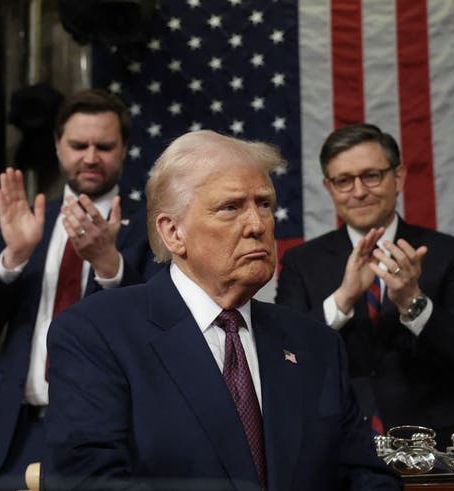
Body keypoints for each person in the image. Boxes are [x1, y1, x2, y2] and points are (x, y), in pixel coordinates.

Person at [44, 131, 400, 490]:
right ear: (173, 232)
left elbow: (366, 477)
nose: (258, 225)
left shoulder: (316, 344)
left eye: (264, 204)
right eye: (231, 208)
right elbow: (86, 481)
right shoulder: (96, 333)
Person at [0, 89, 158, 489]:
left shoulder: (151, 227)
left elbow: (157, 332)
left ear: (124, 149)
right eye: (78, 145)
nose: (90, 157)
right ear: (57, 145)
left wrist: (108, 263)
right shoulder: (31, 222)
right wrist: (13, 257)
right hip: (16, 439)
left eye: (104, 146)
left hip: (104, 442)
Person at [275, 123, 454, 448]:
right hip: (338, 448)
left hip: (438, 450)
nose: (359, 191)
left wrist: (412, 301)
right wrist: (343, 300)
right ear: (329, 188)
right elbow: (284, 360)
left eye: (371, 175)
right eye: (344, 181)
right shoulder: (301, 262)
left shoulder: (448, 253)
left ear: (398, 177)